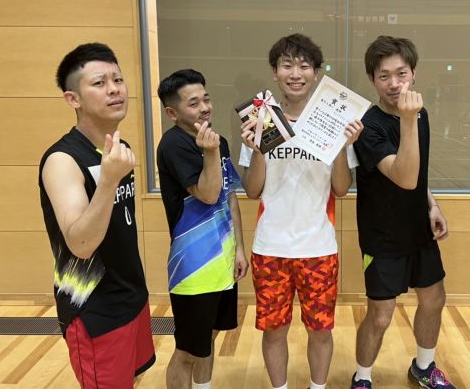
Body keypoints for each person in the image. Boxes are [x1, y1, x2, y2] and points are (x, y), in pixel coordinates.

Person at [239, 33, 363, 389]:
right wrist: (258, 149)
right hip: (270, 247)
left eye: (304, 66)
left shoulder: (334, 121)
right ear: (275, 72)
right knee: (274, 331)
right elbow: (252, 191)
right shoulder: (262, 121)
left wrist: (340, 145)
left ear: (316, 73)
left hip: (318, 247)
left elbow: (341, 189)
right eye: (287, 65)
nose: (296, 73)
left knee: (320, 331)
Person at [38, 42, 155, 388]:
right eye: (99, 83)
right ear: (73, 99)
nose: (114, 89)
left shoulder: (117, 150)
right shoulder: (62, 160)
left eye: (118, 79)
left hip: (131, 295)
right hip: (93, 309)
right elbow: (82, 244)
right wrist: (107, 181)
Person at [352, 35, 456, 389]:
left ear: (413, 74)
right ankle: (362, 376)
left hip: (419, 232)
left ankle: (424, 367)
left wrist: (432, 205)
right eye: (384, 76)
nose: (394, 83)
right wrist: (409, 120)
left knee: (434, 299)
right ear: (373, 79)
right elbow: (404, 176)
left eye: (401, 74)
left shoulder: (418, 113)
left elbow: (419, 174)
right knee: (381, 316)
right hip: (382, 237)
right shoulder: (369, 127)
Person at [157, 69, 248, 389]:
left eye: (206, 99)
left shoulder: (217, 141)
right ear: (173, 113)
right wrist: (210, 152)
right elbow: (208, 194)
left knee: (208, 337)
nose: (205, 107)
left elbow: (228, 196)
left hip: (222, 260)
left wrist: (239, 248)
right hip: (193, 267)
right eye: (193, 103)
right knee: (187, 349)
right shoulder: (174, 145)